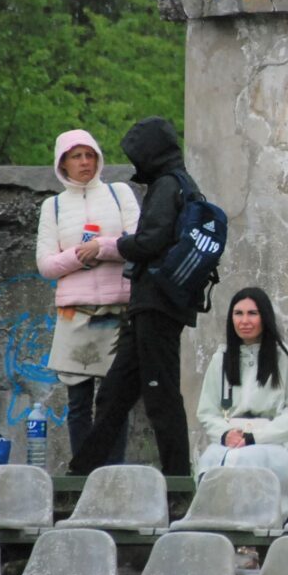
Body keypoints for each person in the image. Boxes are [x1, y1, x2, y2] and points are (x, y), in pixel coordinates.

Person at [68, 117, 204, 476]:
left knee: (161, 394)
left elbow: (150, 241)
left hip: (157, 303)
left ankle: (177, 481)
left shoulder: (167, 185)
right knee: (114, 393)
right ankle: (82, 472)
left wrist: (117, 245)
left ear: (151, 153)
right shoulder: (179, 184)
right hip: (152, 303)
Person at [36, 129, 140, 461]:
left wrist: (103, 247)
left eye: (89, 155)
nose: (84, 162)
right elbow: (46, 264)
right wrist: (79, 256)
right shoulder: (53, 206)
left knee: (115, 400)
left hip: (117, 309)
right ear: (62, 163)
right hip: (74, 312)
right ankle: (82, 472)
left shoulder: (118, 193)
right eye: (76, 156)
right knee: (78, 402)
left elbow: (138, 242)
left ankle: (113, 471)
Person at [195, 287, 288, 517]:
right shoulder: (221, 359)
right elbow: (207, 411)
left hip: (278, 444)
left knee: (247, 459)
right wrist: (225, 435)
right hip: (232, 440)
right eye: (238, 314)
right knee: (210, 459)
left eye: (252, 313)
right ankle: (217, 527)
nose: (244, 321)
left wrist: (255, 437)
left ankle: (250, 530)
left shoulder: (284, 356)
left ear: (264, 317)